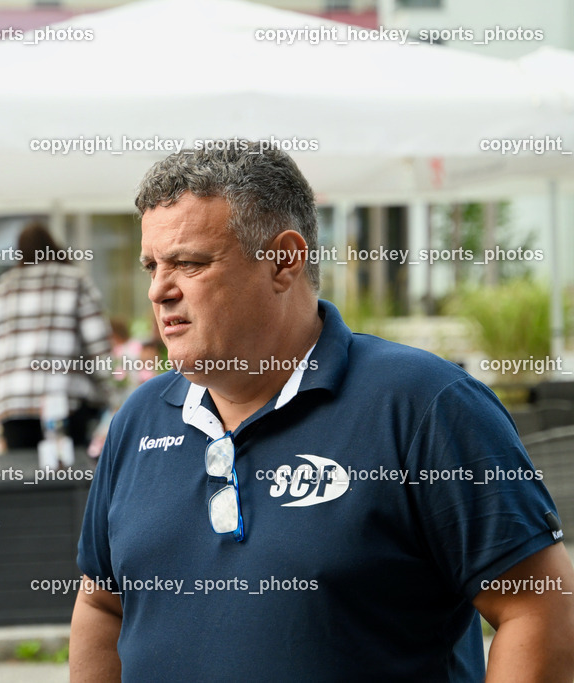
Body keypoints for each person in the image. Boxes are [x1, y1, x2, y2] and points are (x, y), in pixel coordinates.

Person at [70, 142, 574, 681]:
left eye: (189, 263)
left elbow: (539, 607)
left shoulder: (423, 404)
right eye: (152, 266)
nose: (159, 290)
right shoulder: (140, 418)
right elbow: (102, 606)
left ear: (284, 259)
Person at [0, 222, 112, 450]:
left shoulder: (4, 286)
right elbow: (98, 343)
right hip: (64, 398)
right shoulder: (75, 280)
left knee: (26, 479)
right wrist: (111, 393)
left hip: (13, 403)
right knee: (69, 478)